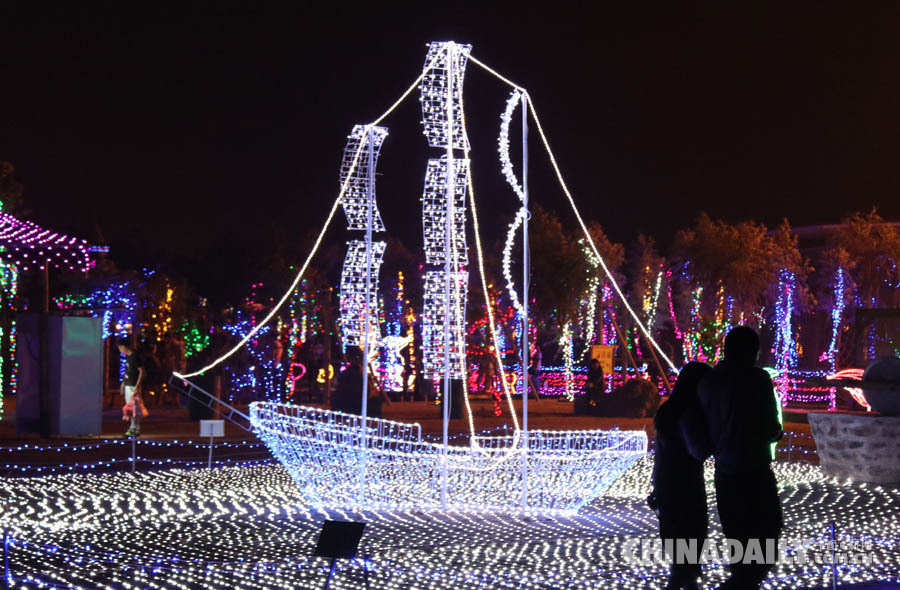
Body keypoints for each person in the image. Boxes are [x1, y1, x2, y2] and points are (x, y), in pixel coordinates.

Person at [698, 326, 783, 589]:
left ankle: (741, 581)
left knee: (739, 537)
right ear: (750, 352)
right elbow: (770, 428)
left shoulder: (709, 381)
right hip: (755, 469)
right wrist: (774, 432)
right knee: (766, 532)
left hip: (725, 470)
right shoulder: (757, 379)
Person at [650, 361, 712, 590]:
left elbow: (660, 454)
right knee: (688, 554)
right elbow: (698, 450)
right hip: (685, 487)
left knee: (681, 553)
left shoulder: (668, 409)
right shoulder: (688, 412)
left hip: (668, 483)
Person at [118, 338, 146, 437]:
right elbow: (128, 372)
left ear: (123, 347)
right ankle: (134, 428)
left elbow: (142, 371)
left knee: (133, 409)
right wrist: (123, 384)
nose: (120, 351)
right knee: (131, 408)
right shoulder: (129, 357)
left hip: (133, 386)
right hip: (128, 385)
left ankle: (133, 429)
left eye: (120, 348)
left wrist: (137, 386)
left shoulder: (134, 356)